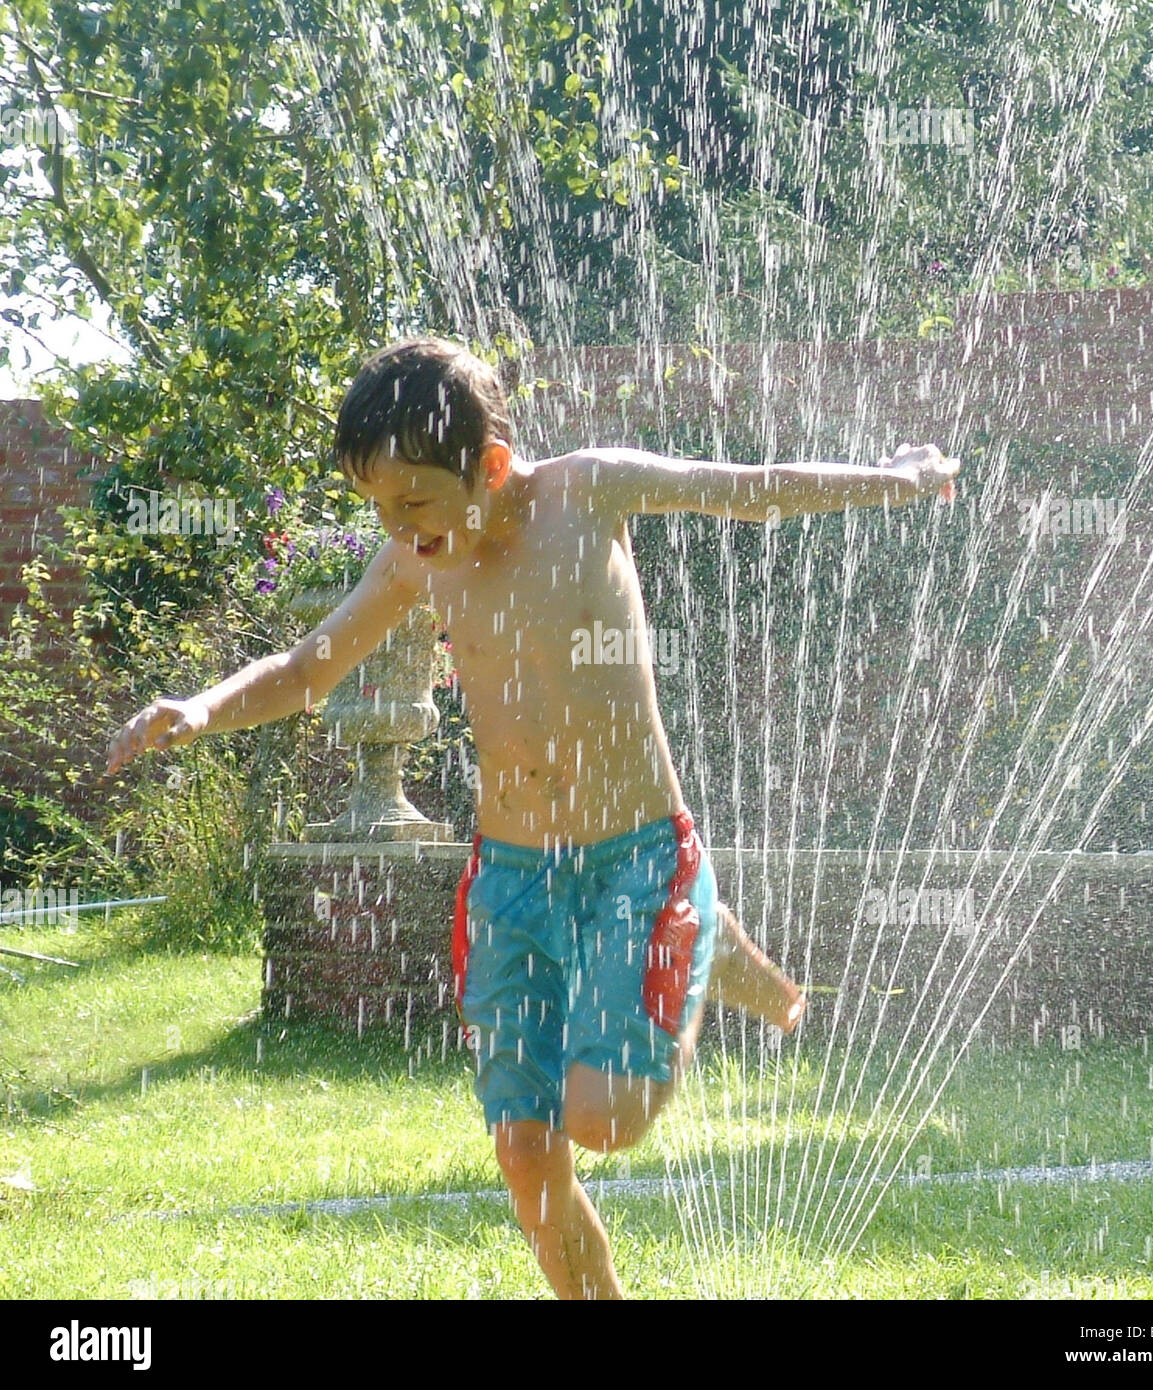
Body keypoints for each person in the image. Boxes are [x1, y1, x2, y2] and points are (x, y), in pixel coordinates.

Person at [105, 335, 958, 1299]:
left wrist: (893, 479)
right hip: (510, 882)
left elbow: (750, 486)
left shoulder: (588, 492)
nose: (400, 527)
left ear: (492, 466)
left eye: (416, 501)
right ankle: (701, 955)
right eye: (380, 508)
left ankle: (694, 930)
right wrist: (202, 708)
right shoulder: (418, 562)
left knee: (604, 1121)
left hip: (633, 862)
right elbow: (309, 670)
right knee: (525, 1154)